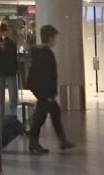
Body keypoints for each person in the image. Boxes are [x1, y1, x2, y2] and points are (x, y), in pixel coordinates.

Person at [26, 24, 75, 154]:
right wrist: (49, 93)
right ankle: (35, 141)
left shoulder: (39, 52)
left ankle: (59, 140)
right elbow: (47, 75)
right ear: (50, 38)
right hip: (44, 91)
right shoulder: (46, 53)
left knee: (52, 112)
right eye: (54, 37)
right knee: (41, 116)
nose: (56, 40)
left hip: (41, 90)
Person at [0, 23, 18, 117]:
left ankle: (8, 114)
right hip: (8, 70)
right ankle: (11, 114)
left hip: (4, 70)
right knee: (12, 94)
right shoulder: (8, 42)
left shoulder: (8, 42)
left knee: (7, 94)